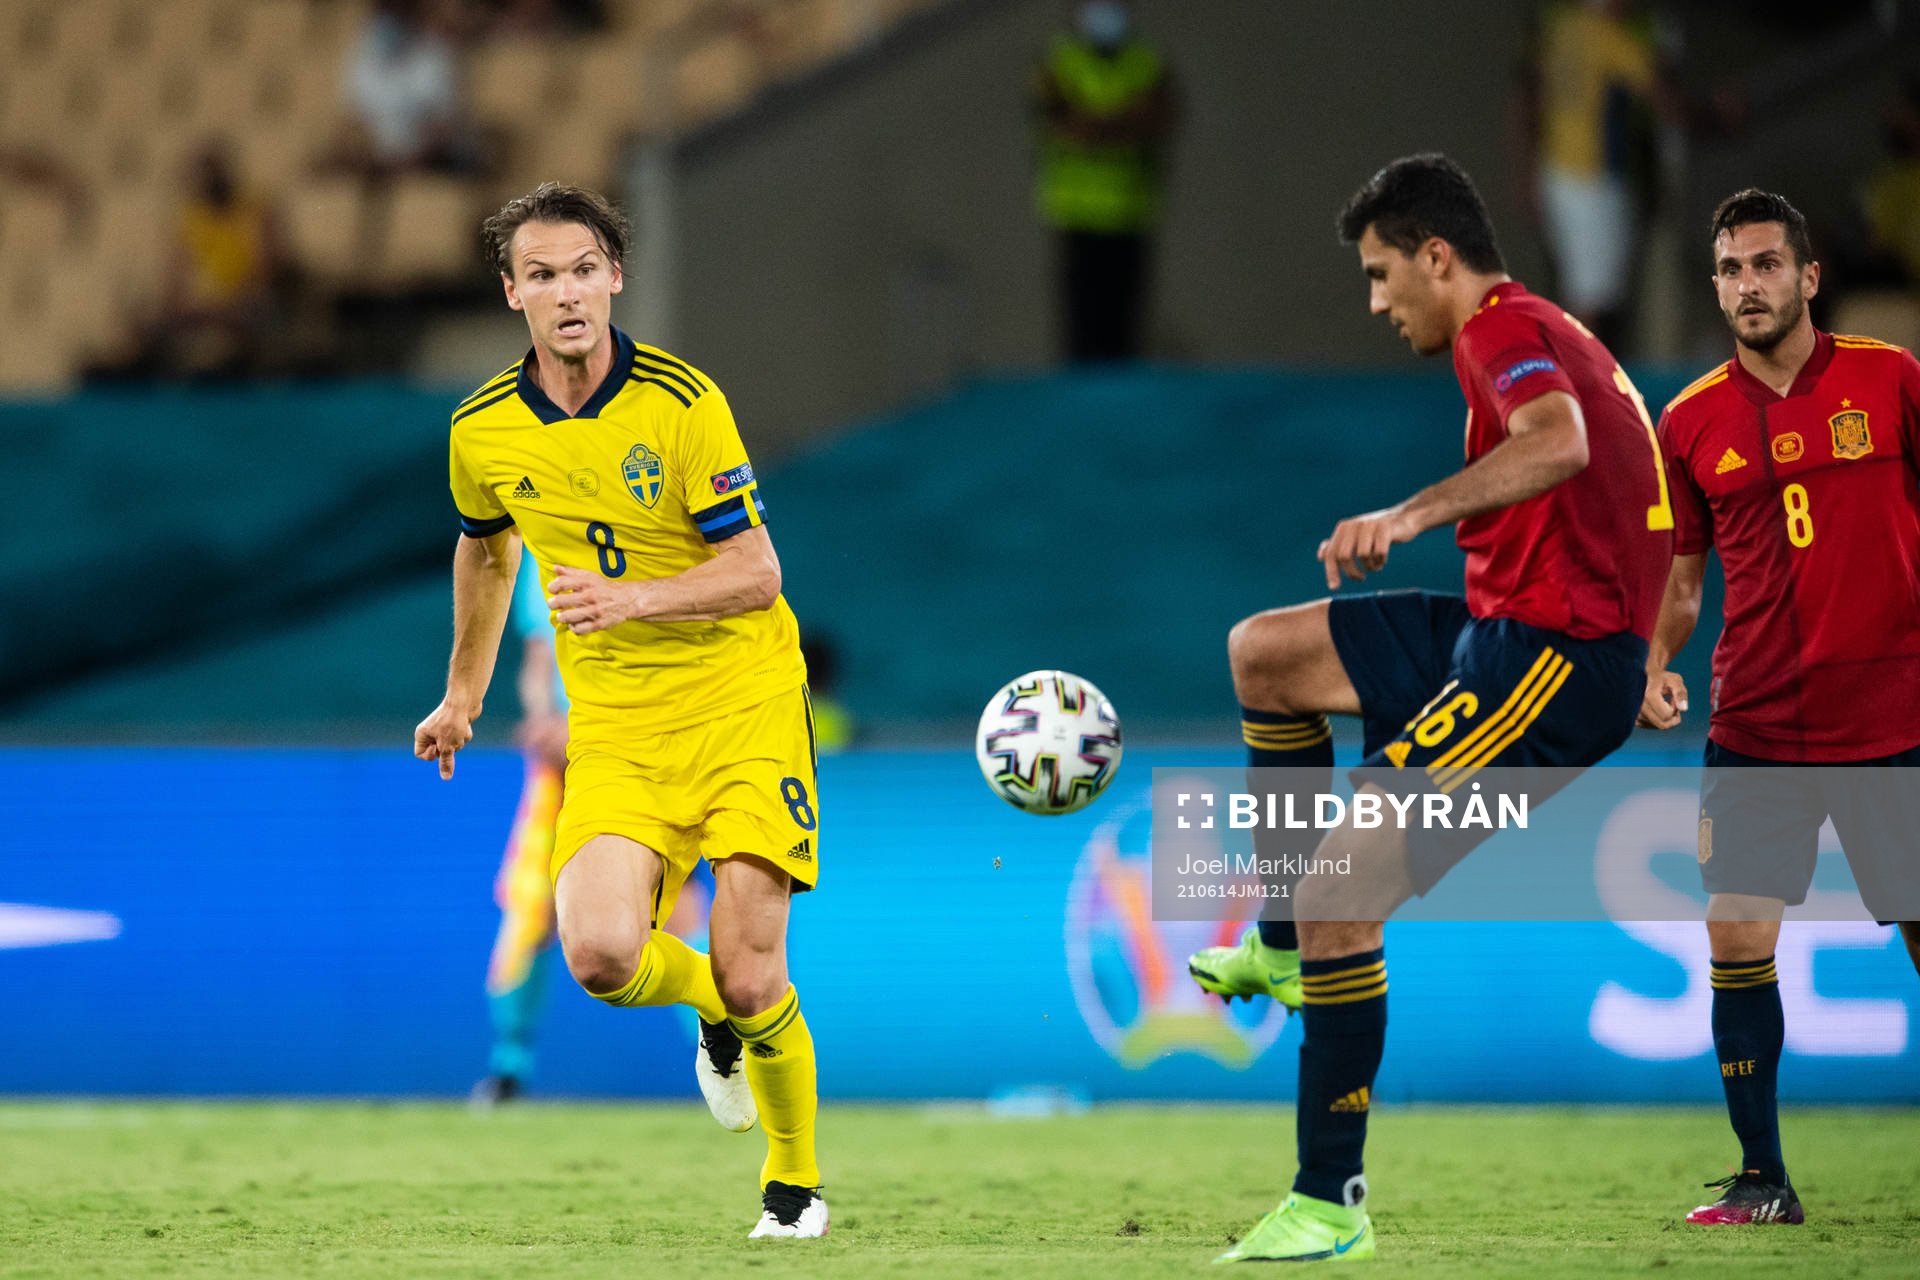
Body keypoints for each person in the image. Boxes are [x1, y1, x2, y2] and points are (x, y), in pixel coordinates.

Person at [1209, 154, 1672, 1264]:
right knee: (1265, 655)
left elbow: (1560, 445)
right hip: (1507, 628)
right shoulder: (1552, 329)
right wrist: (1653, 642)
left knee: (1343, 887)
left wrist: (1408, 513)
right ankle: (1279, 948)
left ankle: (1330, 1197)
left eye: (1380, 275)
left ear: (1437, 257)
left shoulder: (1498, 332)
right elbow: (1641, 489)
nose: (1377, 303)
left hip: (1550, 658)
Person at [413, 182, 827, 1239]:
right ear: (513, 292)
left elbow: (757, 569)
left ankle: (793, 1193)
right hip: (619, 728)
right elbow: (487, 543)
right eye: (542, 273)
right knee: (597, 952)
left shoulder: (684, 402)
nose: (567, 292)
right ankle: (714, 1019)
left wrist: (633, 597)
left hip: (741, 703)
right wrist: (462, 694)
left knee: (752, 964)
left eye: (584, 268)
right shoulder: (483, 429)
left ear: (616, 278)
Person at [1642, 188, 1920, 1227]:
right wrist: (1655, 661)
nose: (1747, 286)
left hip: (1897, 716)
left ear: (1809, 276)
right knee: (1735, 938)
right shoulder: (1689, 420)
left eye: (1765, 265)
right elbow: (1681, 577)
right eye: (1729, 270)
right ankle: (1763, 1177)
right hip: (1757, 722)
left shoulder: (1891, 382)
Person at [1515, 0, 1676, 350]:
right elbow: (1666, 102)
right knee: (1593, 305)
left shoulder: (1562, 26)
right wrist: (1714, 116)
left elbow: (1534, 98)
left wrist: (1529, 170)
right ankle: (1579, 390)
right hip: (1592, 179)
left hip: (1558, 173)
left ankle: (1576, 382)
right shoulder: (1610, 37)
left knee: (1581, 294)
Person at [1032, 0, 1175, 363]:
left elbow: (1158, 118)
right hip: (1076, 212)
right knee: (1082, 319)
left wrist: (1094, 124)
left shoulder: (1145, 60)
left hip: (1130, 210)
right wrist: (1122, 122)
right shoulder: (1060, 61)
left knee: (1123, 319)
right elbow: (1062, 124)